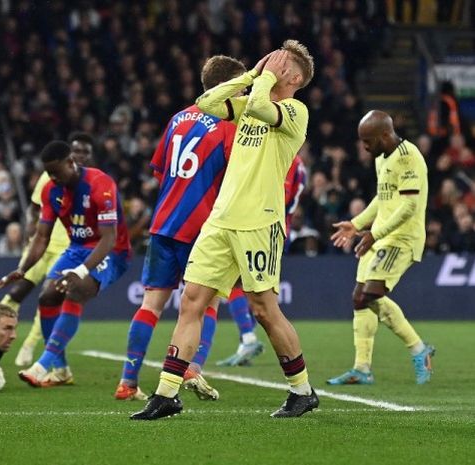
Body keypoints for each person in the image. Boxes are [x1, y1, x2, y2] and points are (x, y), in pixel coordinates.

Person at [132, 41, 318, 420]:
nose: (270, 66)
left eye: (279, 64)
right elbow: (207, 104)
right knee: (192, 301)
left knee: (264, 309)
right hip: (220, 220)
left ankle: (302, 391)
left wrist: (263, 80)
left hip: (259, 222)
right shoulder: (249, 103)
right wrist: (252, 75)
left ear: (295, 77)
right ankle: (167, 394)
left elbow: (265, 107)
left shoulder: (295, 111)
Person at [115, 55, 246, 402]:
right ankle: (192, 368)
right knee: (207, 304)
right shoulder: (229, 127)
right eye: (242, 85)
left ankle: (128, 382)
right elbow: (236, 180)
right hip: (202, 228)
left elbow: (160, 170)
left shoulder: (178, 118)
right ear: (228, 87)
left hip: (163, 223)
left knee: (151, 304)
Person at [0, 140, 131, 388]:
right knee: (47, 297)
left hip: (111, 252)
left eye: (56, 172)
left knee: (75, 291)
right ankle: (61, 370)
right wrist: (23, 269)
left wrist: (80, 272)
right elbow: (42, 236)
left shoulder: (100, 185)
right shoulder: (51, 190)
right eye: (48, 173)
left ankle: (42, 365)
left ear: (71, 163)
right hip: (77, 249)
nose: (52, 178)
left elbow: (109, 238)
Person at [327, 110, 434, 386]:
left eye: (368, 141)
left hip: (401, 238)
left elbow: (409, 206)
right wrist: (355, 224)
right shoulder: (383, 158)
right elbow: (383, 199)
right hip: (381, 236)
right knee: (360, 299)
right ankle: (362, 368)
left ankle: (418, 349)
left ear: (385, 135)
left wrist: (374, 233)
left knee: (372, 293)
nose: (364, 147)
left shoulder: (408, 157)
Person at [1, 132, 95, 367]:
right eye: (77, 151)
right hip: (41, 244)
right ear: (68, 154)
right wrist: (28, 235)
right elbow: (34, 209)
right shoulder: (49, 177)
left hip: (67, 251)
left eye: (86, 151)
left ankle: (28, 346)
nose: (81, 155)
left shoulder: (92, 183)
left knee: (48, 297)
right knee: (17, 291)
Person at [217, 154, 306, 366]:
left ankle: (248, 338)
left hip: (265, 229)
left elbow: (283, 198)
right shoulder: (295, 163)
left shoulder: (288, 161)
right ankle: (245, 341)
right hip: (271, 228)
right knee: (252, 288)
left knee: (241, 284)